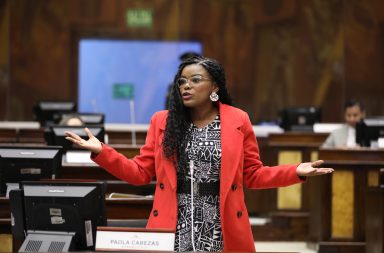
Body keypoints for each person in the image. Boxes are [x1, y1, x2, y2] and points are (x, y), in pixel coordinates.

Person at [65, 56, 334, 252]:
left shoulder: (238, 120)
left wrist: (295, 171)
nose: (186, 86)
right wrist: (102, 152)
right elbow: (140, 173)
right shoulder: (163, 121)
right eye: (182, 81)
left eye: (195, 80)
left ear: (215, 87)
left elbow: (252, 174)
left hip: (221, 224)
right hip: (174, 223)